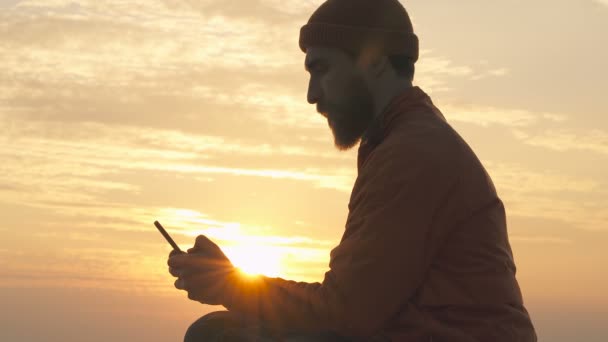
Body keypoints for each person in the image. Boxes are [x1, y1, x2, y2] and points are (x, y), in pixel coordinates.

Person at [167, 0, 538, 341]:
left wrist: (230, 284)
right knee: (222, 329)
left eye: (321, 69)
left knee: (216, 337)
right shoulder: (404, 141)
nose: (312, 94)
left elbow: (344, 312)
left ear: (373, 60)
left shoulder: (413, 153)